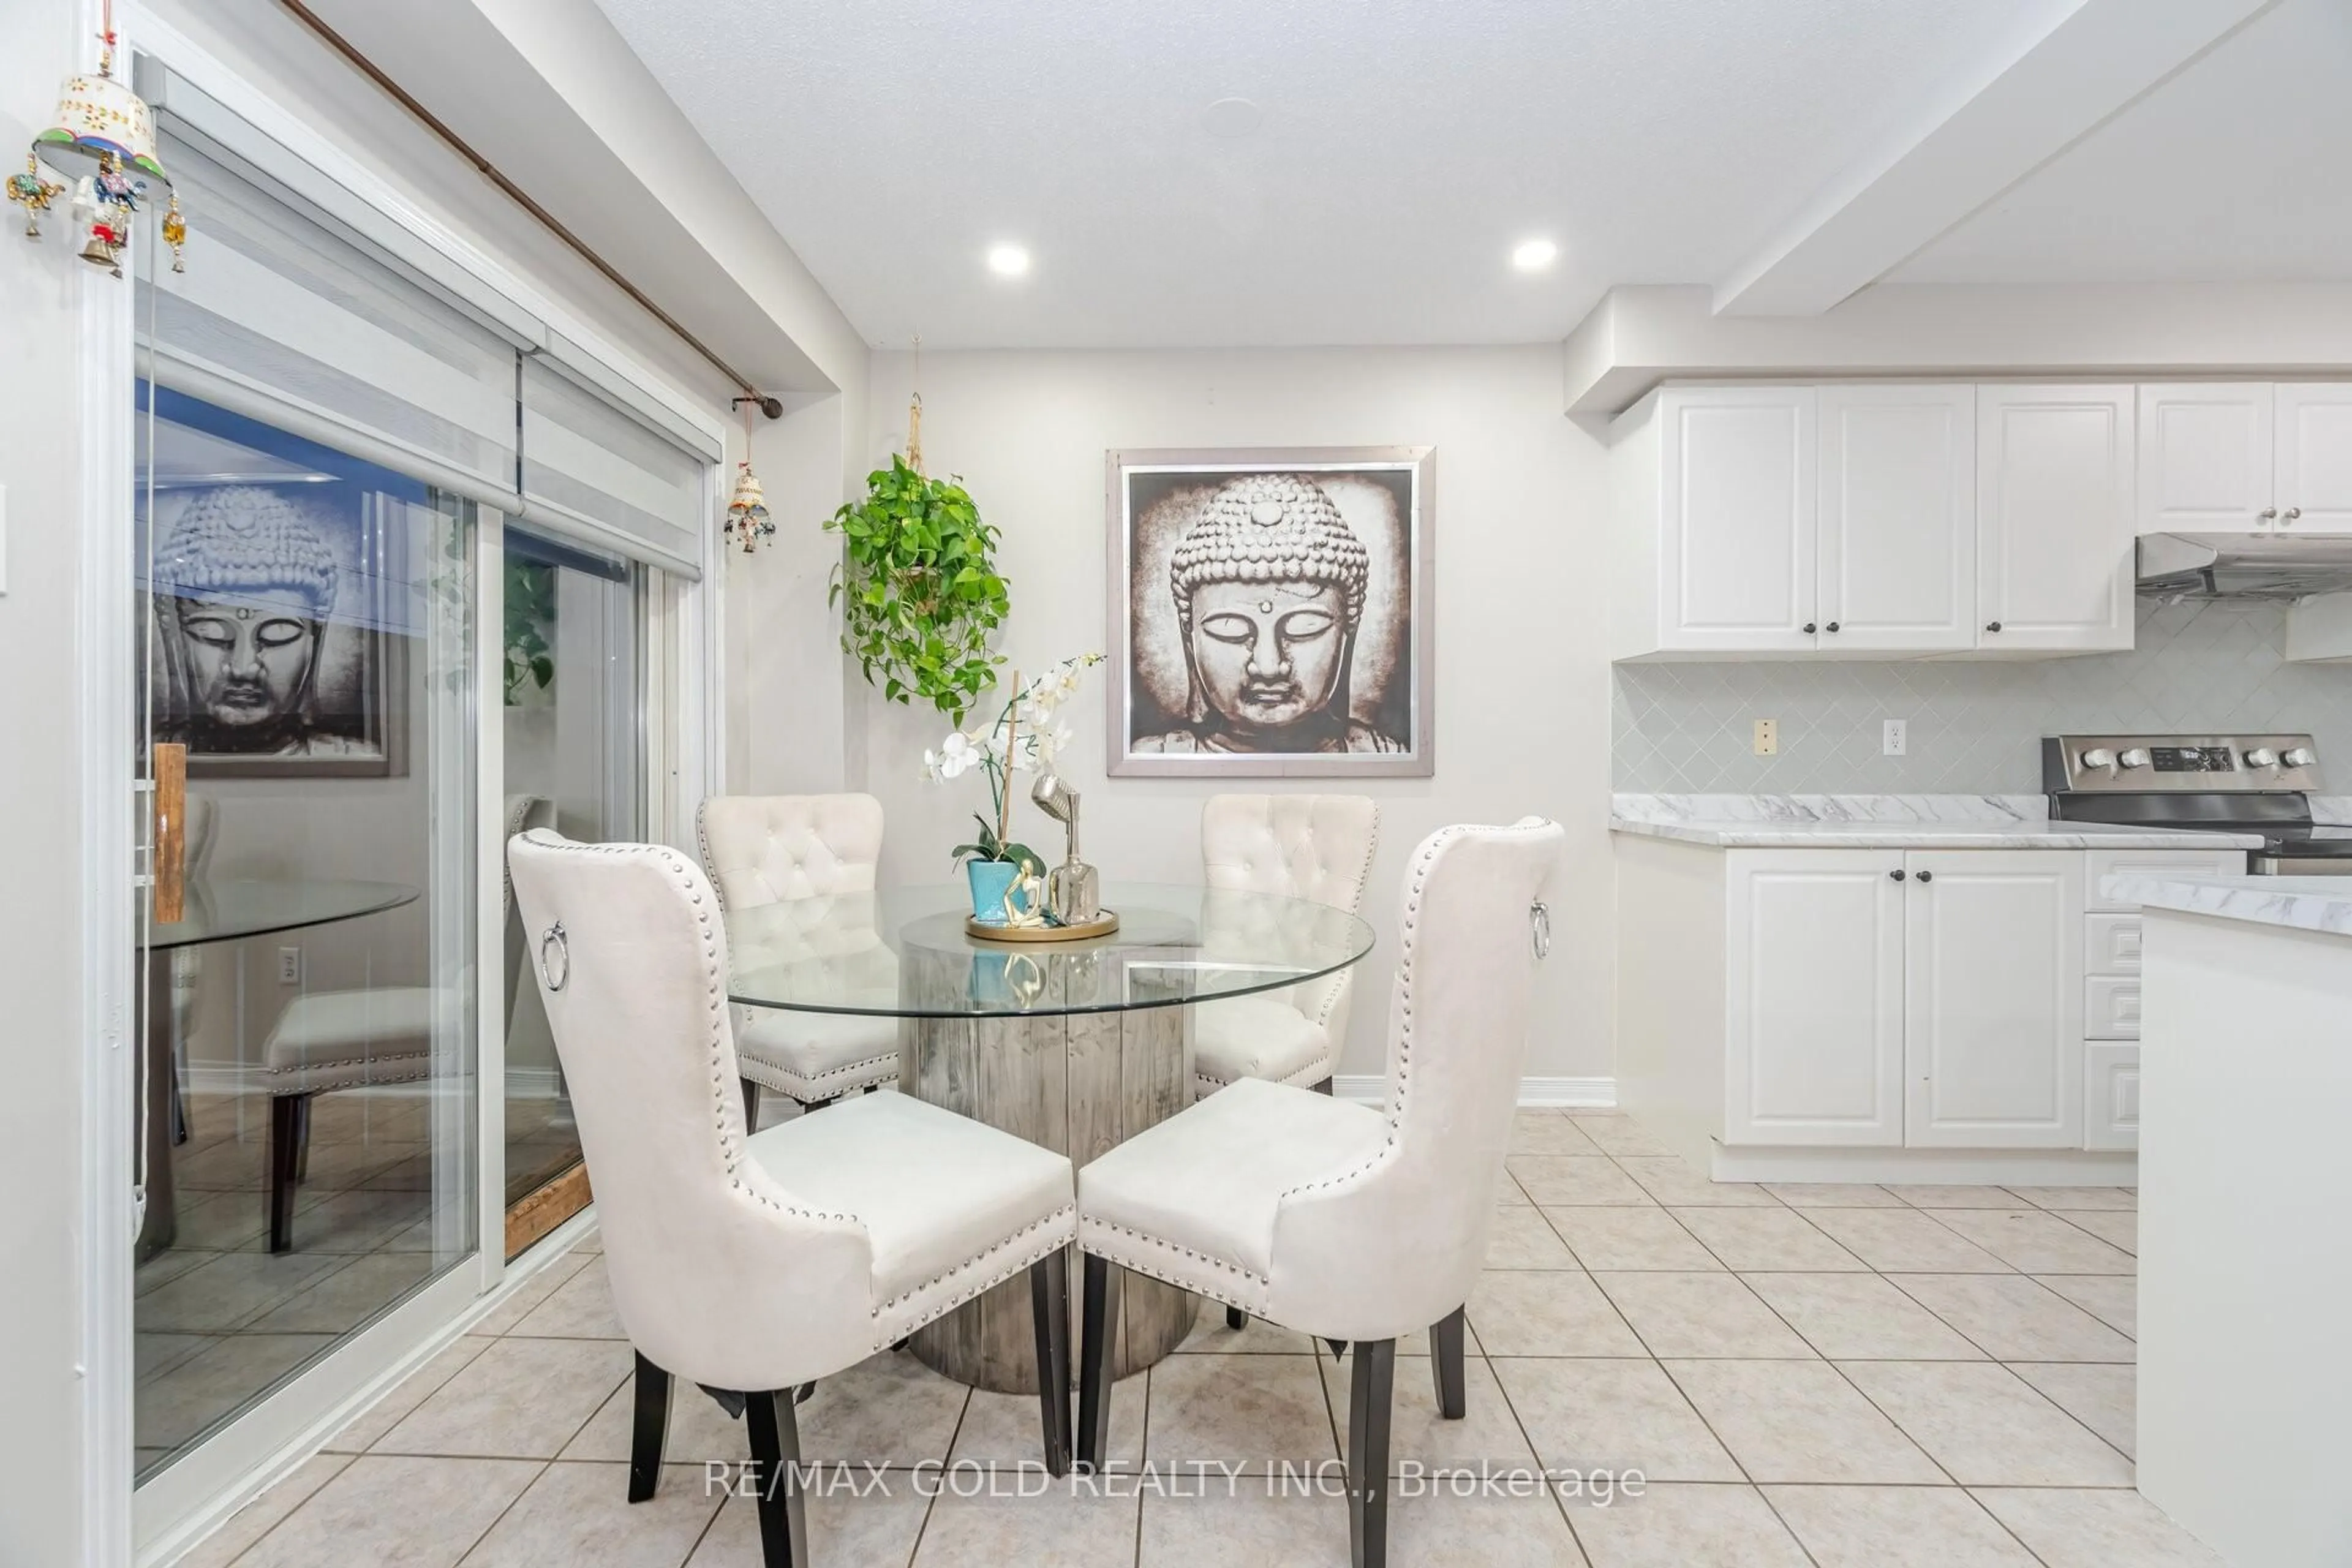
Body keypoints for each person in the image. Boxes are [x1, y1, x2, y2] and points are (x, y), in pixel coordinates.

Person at [1134, 472, 1404, 756]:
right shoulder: (1155, 757)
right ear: (1190, 641)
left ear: (1347, 634)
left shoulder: (1382, 755)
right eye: (1230, 630)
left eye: (1305, 628)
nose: (1269, 666)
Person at [154, 484, 366, 757]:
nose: (244, 668)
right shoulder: (132, 759)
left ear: (317, 638)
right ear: (175, 639)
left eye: (277, 636)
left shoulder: (350, 760)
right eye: (213, 635)